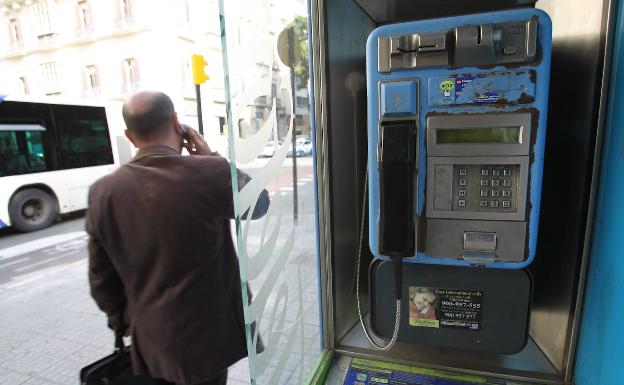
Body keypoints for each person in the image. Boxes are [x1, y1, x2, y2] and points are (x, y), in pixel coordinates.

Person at [86, 90, 267, 385]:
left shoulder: (102, 192)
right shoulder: (209, 172)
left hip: (153, 340)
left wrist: (124, 322)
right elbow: (259, 205)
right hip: (209, 339)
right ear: (177, 124)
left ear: (130, 137)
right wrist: (209, 154)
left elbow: (101, 279)